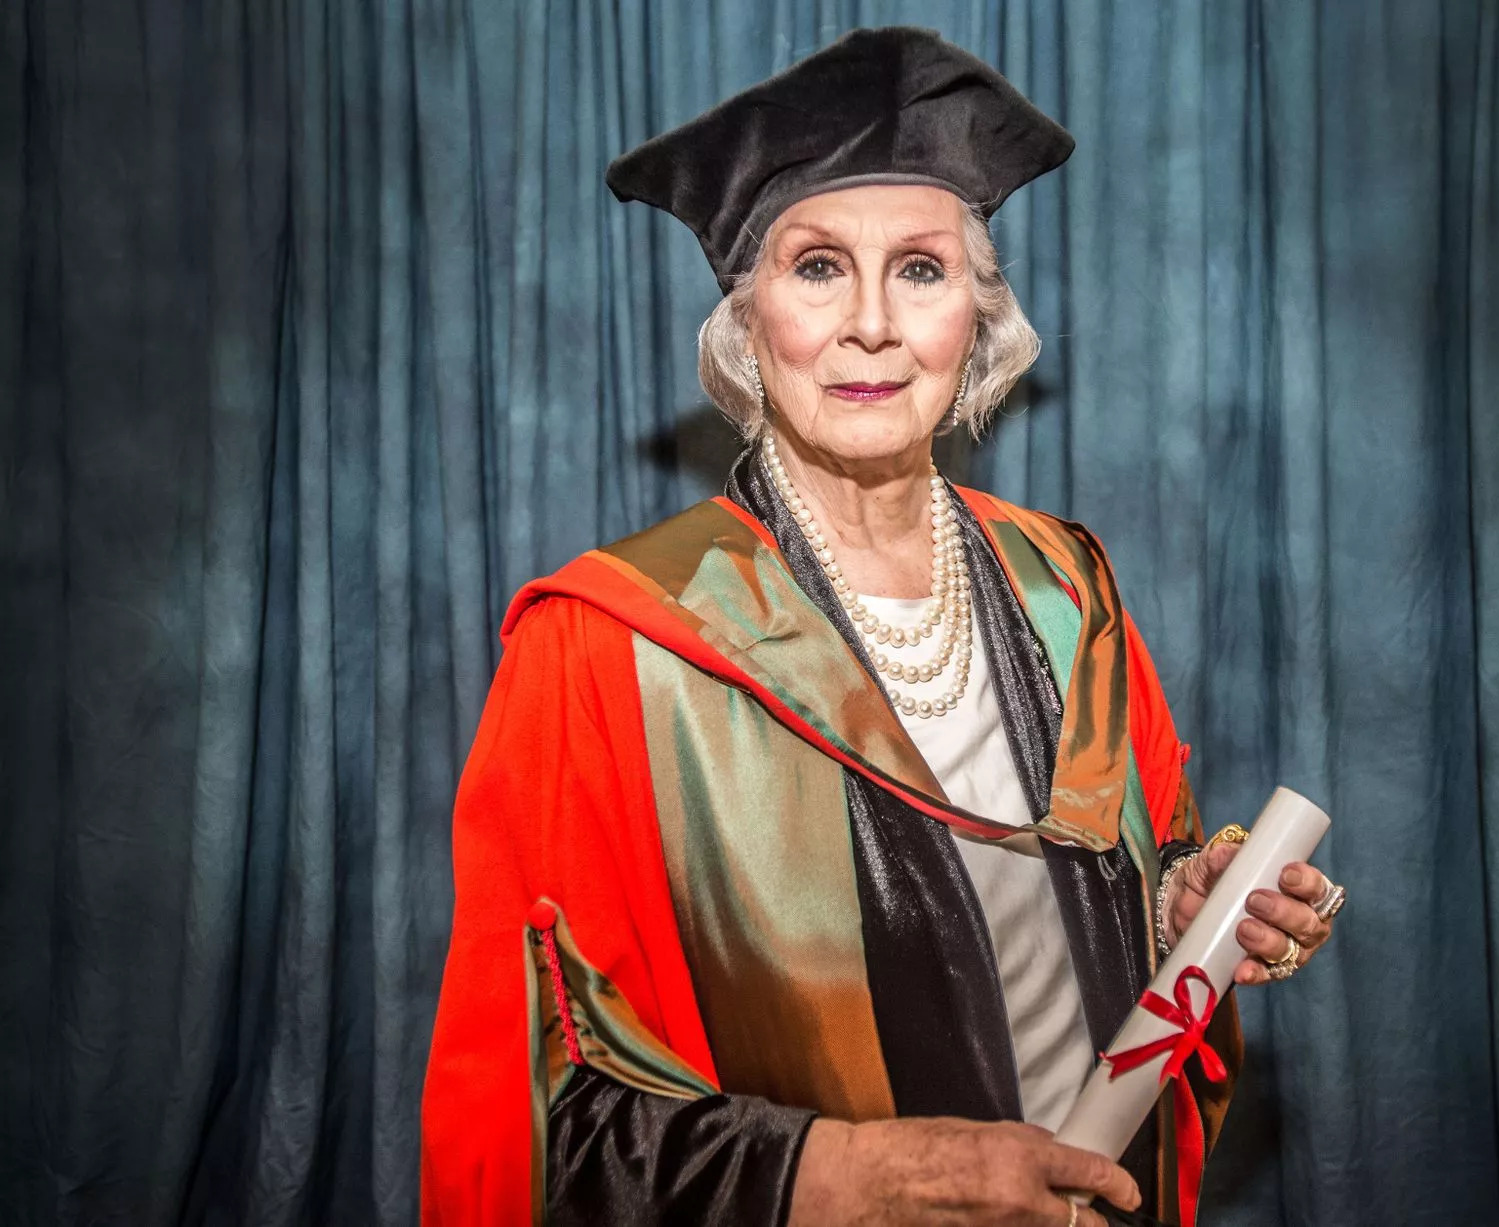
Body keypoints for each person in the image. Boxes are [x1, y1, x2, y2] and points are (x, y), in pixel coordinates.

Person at [421, 27, 1346, 1227]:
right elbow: (538, 1111)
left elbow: (1117, 887)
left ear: (976, 318)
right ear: (748, 325)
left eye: (920, 268)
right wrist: (861, 1178)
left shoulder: (1069, 590)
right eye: (816, 268)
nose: (871, 324)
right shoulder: (611, 647)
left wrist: (1184, 911)